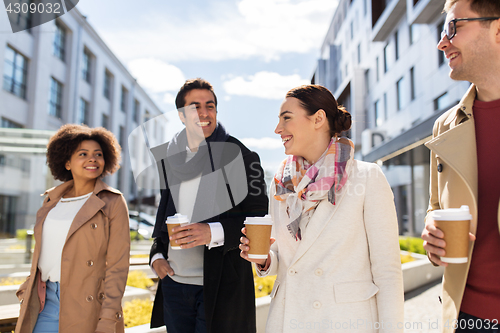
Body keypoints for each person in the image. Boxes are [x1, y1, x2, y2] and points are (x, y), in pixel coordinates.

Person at [240, 84, 404, 333]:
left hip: (345, 322)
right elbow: (285, 260)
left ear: (318, 119)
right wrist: (263, 259)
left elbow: (387, 271)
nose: (277, 129)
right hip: (289, 319)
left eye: (287, 118)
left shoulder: (366, 178)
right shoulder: (280, 184)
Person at [148, 78, 268, 333]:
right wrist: (156, 255)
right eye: (195, 106)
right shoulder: (171, 159)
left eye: (210, 106)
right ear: (181, 115)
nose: (203, 113)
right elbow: (164, 216)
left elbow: (259, 216)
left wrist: (212, 232)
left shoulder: (242, 156)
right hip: (175, 286)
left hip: (221, 287)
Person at [421, 0, 500, 331]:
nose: (442, 42)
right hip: (467, 317)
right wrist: (432, 235)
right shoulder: (445, 126)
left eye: (453, 28)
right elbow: (435, 206)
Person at [15, 124, 130, 333]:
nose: (93, 158)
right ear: (67, 162)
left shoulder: (112, 201)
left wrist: (107, 318)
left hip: (87, 305)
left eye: (98, 154)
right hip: (45, 301)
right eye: (83, 154)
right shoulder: (51, 200)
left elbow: (117, 267)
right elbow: (44, 251)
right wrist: (27, 286)